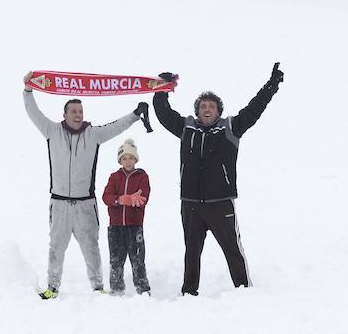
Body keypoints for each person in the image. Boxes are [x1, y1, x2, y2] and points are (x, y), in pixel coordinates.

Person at [153, 63, 284, 296]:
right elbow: (164, 115)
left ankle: (244, 291)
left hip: (221, 203)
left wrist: (271, 85)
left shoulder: (231, 128)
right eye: (203, 105)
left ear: (218, 111)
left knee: (233, 250)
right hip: (191, 203)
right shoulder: (186, 128)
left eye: (211, 106)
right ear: (197, 110)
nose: (207, 108)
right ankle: (189, 293)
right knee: (191, 252)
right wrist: (161, 89)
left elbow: (254, 109)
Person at [23, 73, 148, 299]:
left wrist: (135, 115)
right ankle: (52, 287)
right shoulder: (53, 132)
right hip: (59, 204)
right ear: (65, 114)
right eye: (74, 111)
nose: (78, 115)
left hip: (85, 205)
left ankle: (98, 286)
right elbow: (34, 114)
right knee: (56, 248)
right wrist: (28, 90)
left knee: (91, 248)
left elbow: (117, 126)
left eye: (80, 111)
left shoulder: (93, 135)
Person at [102, 138, 151, 296]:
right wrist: (120, 199)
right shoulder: (114, 177)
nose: (128, 161)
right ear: (120, 160)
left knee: (137, 259)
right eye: (124, 158)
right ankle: (116, 289)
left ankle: (142, 289)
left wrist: (135, 201)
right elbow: (106, 197)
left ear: (135, 159)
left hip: (134, 225)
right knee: (116, 260)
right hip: (115, 227)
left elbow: (143, 197)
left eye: (131, 157)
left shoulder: (142, 177)